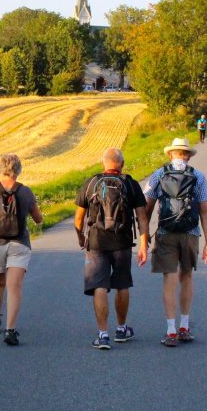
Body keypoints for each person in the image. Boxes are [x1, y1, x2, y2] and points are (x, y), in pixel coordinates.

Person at [74, 148, 149, 350]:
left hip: (96, 242)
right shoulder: (130, 184)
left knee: (99, 285)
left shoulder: (91, 183)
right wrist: (143, 243)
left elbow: (79, 218)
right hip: (122, 242)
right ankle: (122, 329)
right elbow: (142, 216)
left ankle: (103, 334)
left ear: (103, 164)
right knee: (122, 284)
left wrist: (81, 237)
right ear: (122, 165)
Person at [143, 137, 207, 347]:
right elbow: (204, 211)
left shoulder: (158, 174)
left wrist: (144, 235)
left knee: (169, 280)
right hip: (190, 233)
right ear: (188, 155)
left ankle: (171, 330)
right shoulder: (198, 176)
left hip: (165, 232)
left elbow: (146, 208)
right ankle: (184, 325)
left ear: (170, 154)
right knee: (187, 276)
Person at [0, 154, 44, 346]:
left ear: (1, 168)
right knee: (14, 287)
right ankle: (10, 330)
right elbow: (38, 218)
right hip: (19, 243)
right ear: (19, 169)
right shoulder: (26, 191)